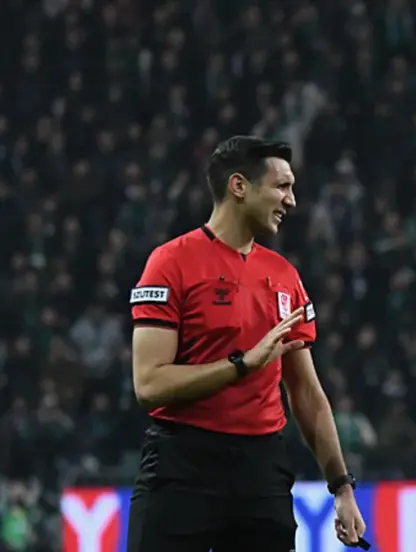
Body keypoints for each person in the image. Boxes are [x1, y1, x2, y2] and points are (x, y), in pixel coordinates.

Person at [126, 136, 367, 552]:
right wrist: (242, 364)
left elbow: (307, 393)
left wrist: (342, 487)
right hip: (182, 464)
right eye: (282, 186)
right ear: (239, 186)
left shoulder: (285, 276)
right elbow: (149, 385)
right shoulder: (170, 263)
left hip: (261, 472)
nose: (291, 200)